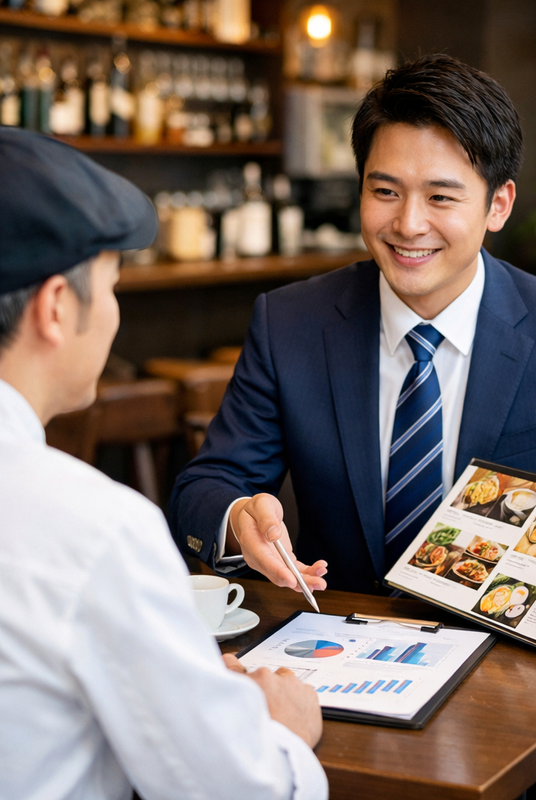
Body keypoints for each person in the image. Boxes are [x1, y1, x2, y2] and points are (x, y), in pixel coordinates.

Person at [170, 55, 536, 640]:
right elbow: (205, 487)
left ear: (497, 205)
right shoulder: (291, 323)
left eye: (441, 198)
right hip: (339, 654)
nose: (407, 224)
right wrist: (238, 519)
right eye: (385, 191)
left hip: (514, 667)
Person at [0, 128, 327, 800]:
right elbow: (242, 789)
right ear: (57, 307)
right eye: (112, 287)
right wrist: (286, 729)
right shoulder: (95, 530)